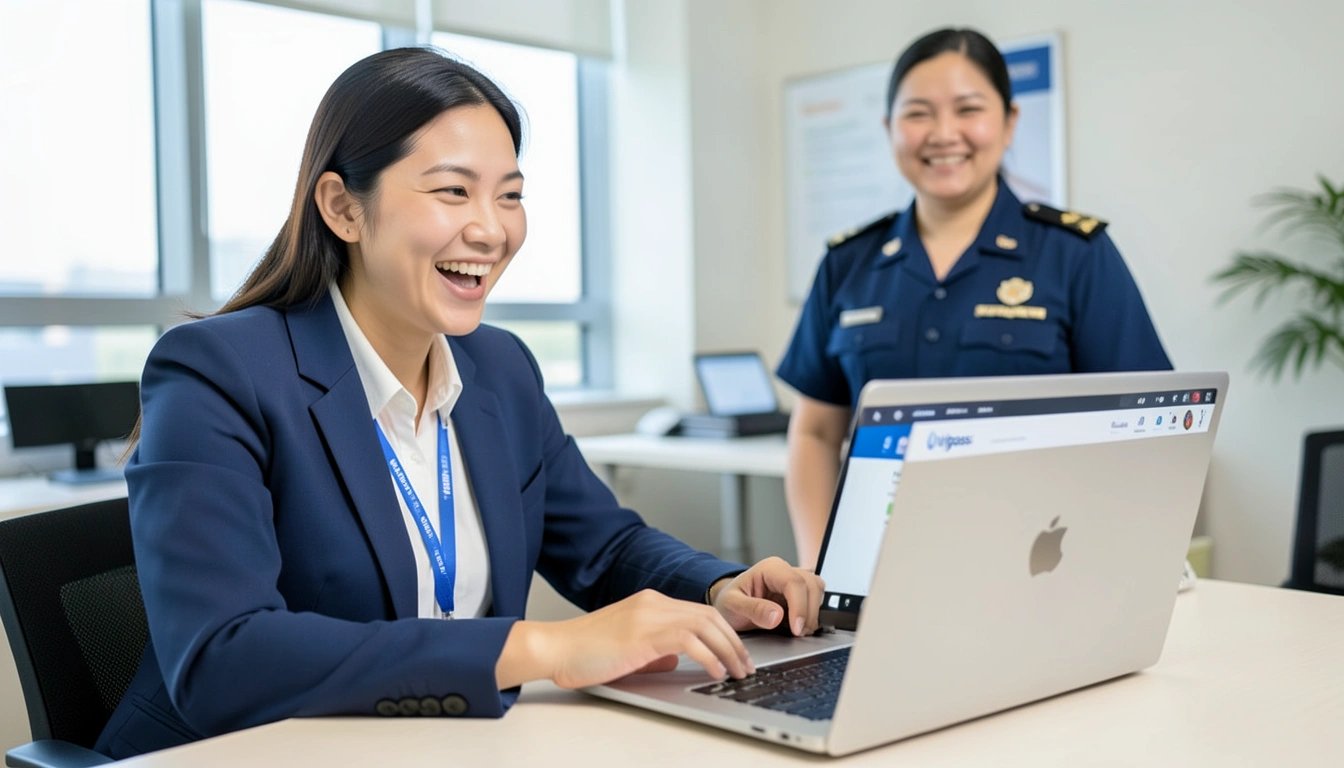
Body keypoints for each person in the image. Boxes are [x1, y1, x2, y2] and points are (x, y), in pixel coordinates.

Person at [97, 48, 823, 759]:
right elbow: (222, 656)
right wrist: (544, 646)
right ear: (343, 208)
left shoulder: (498, 367)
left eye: (510, 194)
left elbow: (605, 547)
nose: (491, 229)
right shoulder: (220, 370)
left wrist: (722, 587)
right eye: (452, 191)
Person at [776, 28, 1171, 570]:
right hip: (876, 569)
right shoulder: (848, 263)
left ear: (1009, 123)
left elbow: (1145, 435)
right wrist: (820, 567)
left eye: (968, 109)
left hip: (1035, 568)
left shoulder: (1077, 254)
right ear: (889, 128)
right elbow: (816, 432)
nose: (943, 133)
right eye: (918, 113)